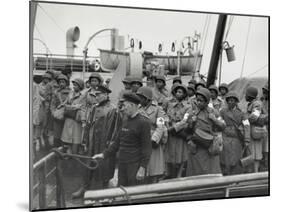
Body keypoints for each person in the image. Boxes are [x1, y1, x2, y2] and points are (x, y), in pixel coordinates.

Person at [72, 85, 122, 198]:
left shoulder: (113, 109)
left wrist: (109, 145)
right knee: (88, 164)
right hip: (92, 142)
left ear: (106, 95)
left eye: (99, 95)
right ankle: (84, 187)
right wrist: (84, 141)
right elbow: (88, 125)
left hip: (104, 143)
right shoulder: (94, 108)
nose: (96, 97)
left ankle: (105, 190)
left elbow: (115, 130)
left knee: (105, 167)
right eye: (96, 95)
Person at [92, 93, 152, 187]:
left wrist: (142, 168)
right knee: (121, 191)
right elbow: (117, 143)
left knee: (133, 194)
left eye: (124, 106)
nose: (122, 109)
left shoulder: (144, 123)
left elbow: (147, 148)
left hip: (134, 165)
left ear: (132, 105)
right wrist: (104, 154)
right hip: (122, 163)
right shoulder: (125, 120)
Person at [186, 88, 226, 176]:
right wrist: (191, 123)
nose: (199, 102)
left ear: (207, 101)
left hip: (209, 148)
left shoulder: (214, 112)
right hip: (196, 148)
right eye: (197, 100)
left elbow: (223, 126)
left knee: (210, 172)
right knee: (195, 173)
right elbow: (187, 131)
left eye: (201, 101)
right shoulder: (192, 112)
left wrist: (214, 120)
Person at [137, 86, 168, 183]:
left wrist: (154, 139)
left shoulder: (158, 109)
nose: (139, 99)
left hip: (153, 140)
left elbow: (161, 126)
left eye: (141, 97)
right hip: (140, 141)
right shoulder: (138, 108)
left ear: (147, 98)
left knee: (153, 168)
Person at [164, 84, 192, 179]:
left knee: (181, 154)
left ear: (184, 94)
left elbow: (185, 120)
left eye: (180, 92)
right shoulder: (169, 103)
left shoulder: (188, 106)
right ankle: (170, 174)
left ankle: (179, 175)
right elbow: (165, 115)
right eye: (176, 91)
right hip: (170, 131)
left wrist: (174, 128)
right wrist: (167, 125)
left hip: (180, 132)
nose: (177, 93)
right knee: (169, 153)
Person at [220, 91, 251, 175]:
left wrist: (247, 139)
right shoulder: (223, 111)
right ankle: (225, 177)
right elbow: (219, 123)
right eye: (229, 100)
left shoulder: (241, 113)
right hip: (225, 137)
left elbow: (247, 126)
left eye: (232, 100)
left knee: (236, 159)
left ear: (236, 101)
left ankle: (235, 178)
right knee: (224, 159)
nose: (230, 102)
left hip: (237, 138)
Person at [245, 86, 268, 173]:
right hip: (253, 130)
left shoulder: (257, 104)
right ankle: (254, 172)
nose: (245, 96)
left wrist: (245, 120)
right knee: (253, 152)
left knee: (256, 152)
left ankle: (255, 172)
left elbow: (255, 116)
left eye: (246, 94)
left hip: (255, 131)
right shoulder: (253, 103)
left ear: (250, 95)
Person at [60, 78, 85, 154]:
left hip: (77, 120)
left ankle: (75, 156)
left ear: (80, 86)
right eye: (74, 85)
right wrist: (74, 107)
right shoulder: (70, 93)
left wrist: (71, 107)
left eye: (76, 85)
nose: (74, 87)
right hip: (69, 119)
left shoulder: (83, 95)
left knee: (76, 139)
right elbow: (65, 105)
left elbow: (82, 106)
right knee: (67, 139)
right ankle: (68, 155)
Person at [50, 74, 71, 148]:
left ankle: (64, 150)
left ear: (66, 83)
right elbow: (52, 104)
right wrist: (53, 112)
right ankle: (56, 149)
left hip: (67, 115)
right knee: (57, 133)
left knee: (66, 134)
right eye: (60, 82)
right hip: (57, 115)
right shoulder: (56, 92)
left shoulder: (70, 92)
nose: (61, 84)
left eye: (63, 82)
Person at [260, 82, 269, 170]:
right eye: (264, 92)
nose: (264, 94)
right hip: (265, 126)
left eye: (266, 92)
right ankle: (265, 162)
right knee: (265, 145)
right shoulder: (263, 101)